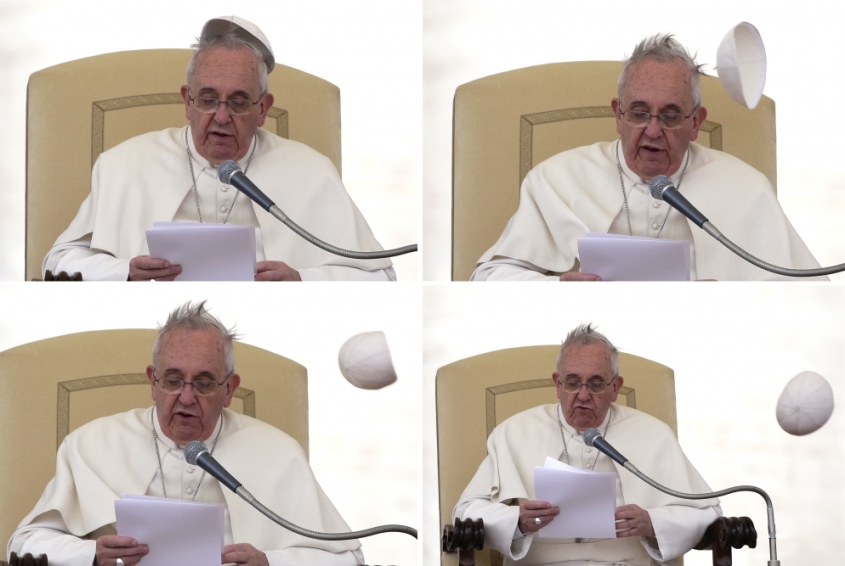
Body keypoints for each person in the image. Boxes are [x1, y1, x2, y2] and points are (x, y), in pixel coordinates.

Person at [8, 301, 363, 566]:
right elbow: (23, 543)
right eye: (174, 381)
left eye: (205, 383)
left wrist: (271, 561)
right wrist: (90, 554)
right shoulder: (90, 445)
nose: (187, 397)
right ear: (153, 382)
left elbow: (350, 559)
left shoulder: (279, 453)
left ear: (229, 389)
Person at [43, 16, 395, 282]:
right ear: (187, 101)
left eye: (239, 103)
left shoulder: (312, 171)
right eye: (208, 100)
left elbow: (382, 278)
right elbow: (57, 262)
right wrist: (124, 273)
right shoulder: (123, 163)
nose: (222, 117)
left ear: (263, 109)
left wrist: (303, 280)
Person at [471, 34, 823, 281]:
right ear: (618, 115)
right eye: (639, 114)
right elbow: (488, 278)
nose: (653, 131)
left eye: (670, 117)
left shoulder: (746, 189)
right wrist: (556, 289)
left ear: (696, 123)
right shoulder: (557, 180)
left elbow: (800, 291)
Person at [454, 324, 720, 565]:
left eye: (595, 384)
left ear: (615, 388)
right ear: (557, 384)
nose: (582, 395)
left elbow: (708, 512)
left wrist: (653, 522)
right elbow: (465, 512)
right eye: (572, 383)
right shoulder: (513, 433)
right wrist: (517, 521)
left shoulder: (654, 435)